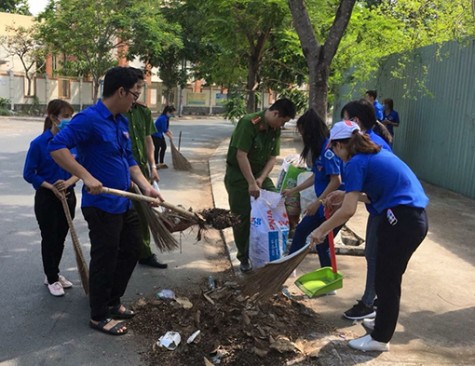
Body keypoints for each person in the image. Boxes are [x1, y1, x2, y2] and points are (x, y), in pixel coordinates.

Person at [49, 66, 163, 336]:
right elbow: (57, 147)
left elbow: (129, 161)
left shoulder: (120, 120)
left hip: (123, 202)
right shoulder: (88, 119)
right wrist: (86, 177)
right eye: (134, 94)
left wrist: (147, 187)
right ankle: (98, 315)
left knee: (132, 249)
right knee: (106, 257)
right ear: (121, 91)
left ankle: (112, 300)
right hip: (101, 206)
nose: (136, 99)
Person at [311, 121, 428, 352]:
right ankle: (383, 320)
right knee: (387, 277)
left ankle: (380, 339)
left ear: (339, 145)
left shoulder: (356, 162)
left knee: (386, 280)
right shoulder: (373, 154)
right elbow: (376, 193)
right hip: (412, 218)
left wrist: (321, 230)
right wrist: (345, 194)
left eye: (333, 149)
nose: (334, 154)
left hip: (401, 220)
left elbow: (347, 210)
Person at [225, 98, 296, 272]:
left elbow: (272, 158)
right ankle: (244, 258)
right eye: (283, 121)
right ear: (275, 113)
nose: (282, 125)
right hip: (239, 176)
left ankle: (270, 253)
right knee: (241, 218)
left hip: (259, 176)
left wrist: (260, 179)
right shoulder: (249, 123)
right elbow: (241, 155)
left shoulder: (275, 129)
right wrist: (250, 182)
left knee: (276, 204)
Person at [339, 99, 392, 320]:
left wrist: (322, 230)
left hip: (388, 209)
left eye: (345, 119)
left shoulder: (370, 146)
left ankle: (370, 302)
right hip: (381, 206)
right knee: (376, 255)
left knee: (374, 255)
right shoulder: (369, 142)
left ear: (355, 121)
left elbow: (350, 207)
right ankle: (377, 299)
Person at [23, 99, 78, 297]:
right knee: (50, 237)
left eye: (70, 116)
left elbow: (80, 169)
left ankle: (53, 273)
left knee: (62, 236)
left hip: (68, 196)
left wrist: (69, 183)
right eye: (66, 116)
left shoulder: (72, 143)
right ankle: (52, 277)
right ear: (54, 118)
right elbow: (29, 173)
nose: (69, 120)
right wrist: (51, 186)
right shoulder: (39, 144)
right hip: (47, 197)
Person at [282, 109, 343, 268]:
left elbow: (336, 181)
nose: (302, 137)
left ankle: (330, 281)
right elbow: (316, 176)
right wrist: (293, 191)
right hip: (322, 206)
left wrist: (317, 203)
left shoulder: (328, 151)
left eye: (303, 132)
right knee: (301, 231)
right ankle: (287, 269)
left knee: (323, 244)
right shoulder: (318, 150)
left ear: (310, 131)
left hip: (333, 206)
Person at [124, 67, 167, 269]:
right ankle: (128, 251)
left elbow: (148, 139)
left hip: (140, 170)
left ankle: (144, 253)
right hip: (121, 172)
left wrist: (152, 166)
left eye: (141, 87)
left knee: (143, 213)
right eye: (137, 88)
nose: (139, 92)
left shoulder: (142, 111)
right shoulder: (116, 112)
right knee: (125, 215)